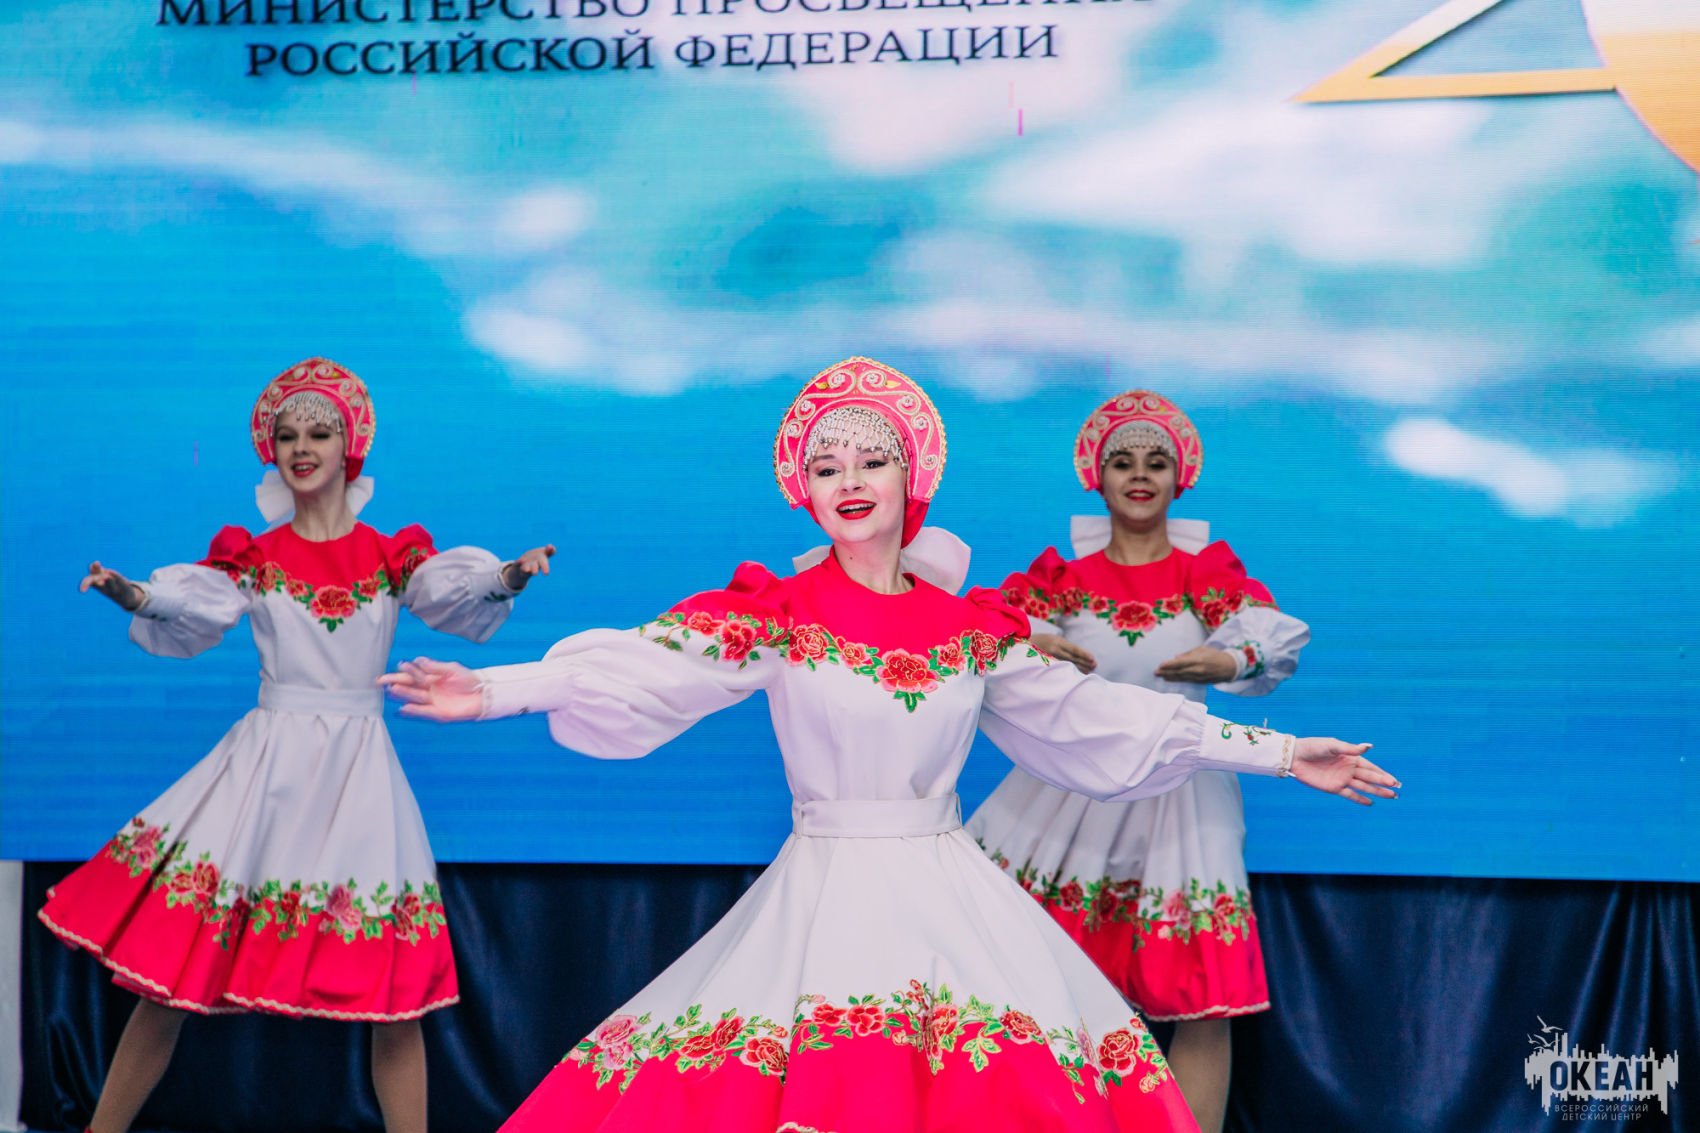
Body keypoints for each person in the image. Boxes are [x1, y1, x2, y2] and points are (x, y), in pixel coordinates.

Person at [382, 357, 1395, 1133]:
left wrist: (1279, 751)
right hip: (823, 889)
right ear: (804, 489)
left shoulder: (971, 627)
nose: (850, 479)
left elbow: (1103, 719)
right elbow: (647, 660)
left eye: (872, 459)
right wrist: (496, 690)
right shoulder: (776, 612)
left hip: (951, 894)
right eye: (827, 466)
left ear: (913, 476)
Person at [39, 358, 555, 1133]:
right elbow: (195, 603)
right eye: (287, 436)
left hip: (357, 775)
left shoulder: (391, 556)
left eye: (318, 433)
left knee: (394, 1000)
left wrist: (510, 575)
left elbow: (451, 594)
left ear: (350, 447)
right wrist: (132, 592)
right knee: (167, 979)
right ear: (271, 450)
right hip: (264, 771)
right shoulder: (254, 556)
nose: (302, 448)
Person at [965, 390, 1310, 1133]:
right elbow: (985, 627)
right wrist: (1034, 642)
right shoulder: (1062, 577)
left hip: (1184, 796)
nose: (1141, 475)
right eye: (1124, 462)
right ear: (1098, 477)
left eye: (1157, 462)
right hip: (1073, 793)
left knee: (1202, 1003)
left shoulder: (1205, 575)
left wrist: (1228, 658)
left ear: (1180, 478)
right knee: (1047, 989)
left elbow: (1268, 636)